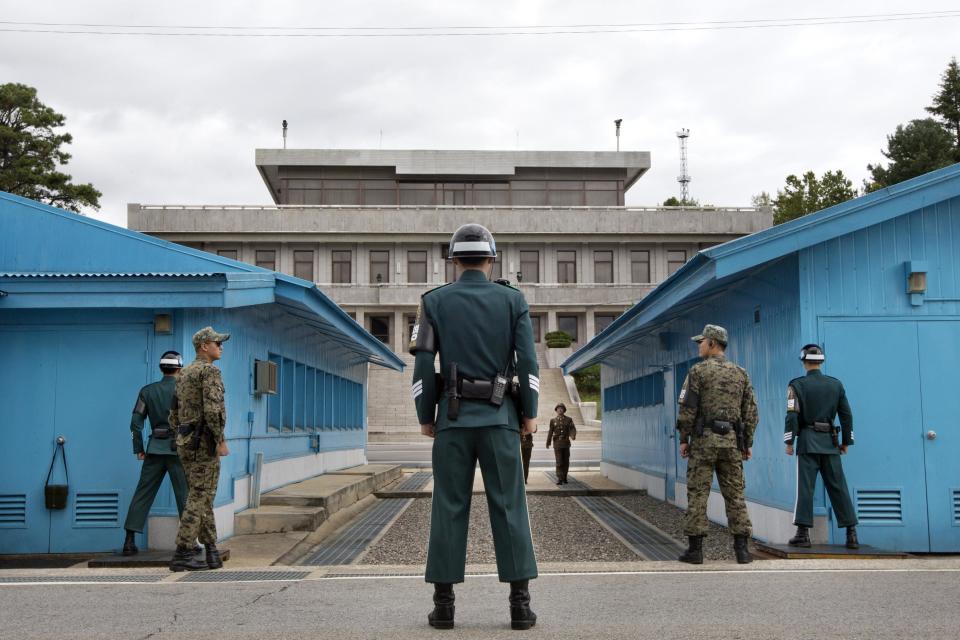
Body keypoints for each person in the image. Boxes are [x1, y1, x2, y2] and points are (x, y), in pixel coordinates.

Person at [411, 223, 539, 630]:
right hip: (500, 419)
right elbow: (529, 362)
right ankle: (519, 606)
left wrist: (424, 414)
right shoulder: (512, 300)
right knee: (509, 507)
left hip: (452, 417)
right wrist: (530, 412)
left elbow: (421, 363)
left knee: (448, 507)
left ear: (453, 259)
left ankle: (444, 606)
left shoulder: (434, 301)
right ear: (491, 258)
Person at [676, 324, 758, 565]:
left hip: (703, 442)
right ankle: (742, 551)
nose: (699, 346)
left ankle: (696, 551)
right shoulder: (740, 373)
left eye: (701, 342)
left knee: (698, 493)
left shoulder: (697, 372)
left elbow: (687, 409)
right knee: (735, 495)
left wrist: (684, 438)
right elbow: (751, 412)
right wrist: (747, 442)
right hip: (732, 442)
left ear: (712, 343)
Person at [168, 327, 231, 572]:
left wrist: (181, 434)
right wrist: (219, 439)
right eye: (217, 343)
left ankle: (211, 551)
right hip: (204, 442)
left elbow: (173, 411)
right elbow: (214, 411)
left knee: (201, 496)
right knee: (200, 496)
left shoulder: (183, 374)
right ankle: (183, 551)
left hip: (186, 441)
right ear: (204, 346)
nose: (221, 347)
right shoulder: (209, 371)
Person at [784, 344, 859, 549]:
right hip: (830, 443)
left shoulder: (796, 385)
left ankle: (803, 534)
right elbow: (846, 415)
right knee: (838, 487)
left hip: (807, 442)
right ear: (822, 361)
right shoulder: (836, 385)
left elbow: (792, 415)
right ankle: (851, 533)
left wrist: (789, 441)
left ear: (803, 361)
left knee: (805, 489)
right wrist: (846, 442)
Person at [121, 351, 190, 556]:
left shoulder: (147, 391)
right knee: (184, 495)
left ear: (161, 368)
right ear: (180, 368)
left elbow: (135, 423)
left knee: (143, 493)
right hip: (180, 449)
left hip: (155, 449)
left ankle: (129, 540)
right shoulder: (187, 390)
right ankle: (187, 543)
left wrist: (139, 449)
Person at [546, 403, 577, 484]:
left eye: (561, 408)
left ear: (564, 410)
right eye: (558, 408)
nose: (560, 410)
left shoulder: (569, 420)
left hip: (566, 443)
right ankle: (560, 478)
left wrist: (572, 435)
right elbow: (550, 432)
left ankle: (565, 477)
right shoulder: (553, 421)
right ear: (556, 410)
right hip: (557, 443)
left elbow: (572, 429)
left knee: (566, 461)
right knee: (559, 461)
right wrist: (548, 442)